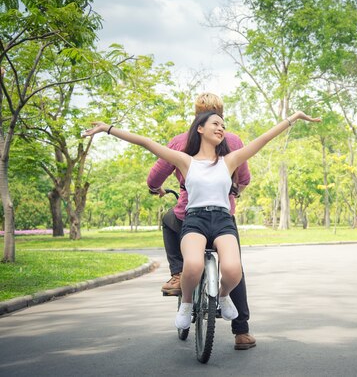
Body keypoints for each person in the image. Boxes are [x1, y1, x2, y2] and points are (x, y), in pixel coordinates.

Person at [82, 110, 320, 334]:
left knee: (232, 269)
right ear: (200, 129)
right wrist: (107, 129)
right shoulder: (186, 161)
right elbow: (145, 142)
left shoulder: (230, 161)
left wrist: (294, 117)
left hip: (222, 220)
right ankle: (186, 305)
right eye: (215, 124)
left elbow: (265, 138)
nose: (221, 128)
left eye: (223, 126)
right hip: (195, 219)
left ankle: (223, 296)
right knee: (193, 266)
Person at [146, 93, 255, 350]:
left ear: (196, 114)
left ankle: (177, 272)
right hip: (223, 213)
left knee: (168, 219)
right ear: (217, 114)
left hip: (188, 213)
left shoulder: (179, 141)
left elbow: (154, 178)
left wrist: (156, 189)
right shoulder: (233, 139)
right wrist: (234, 188)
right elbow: (245, 178)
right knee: (234, 266)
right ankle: (241, 332)